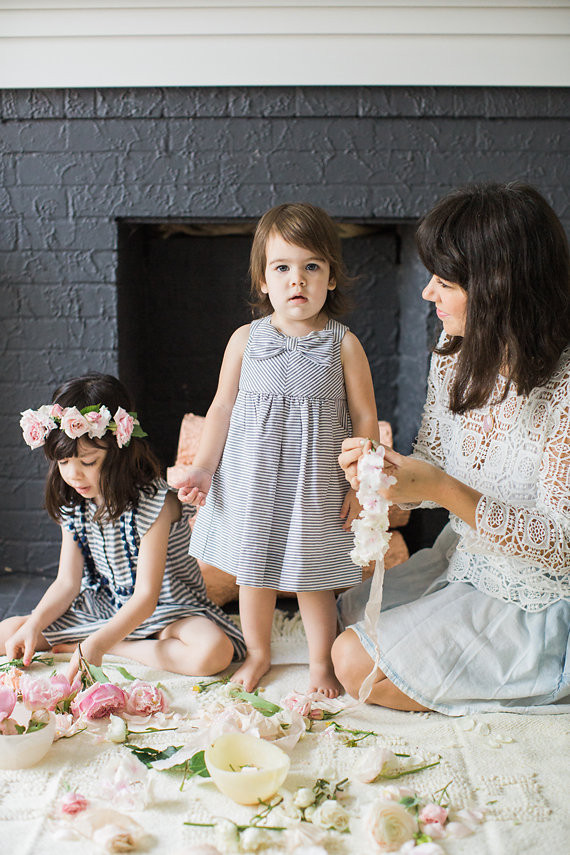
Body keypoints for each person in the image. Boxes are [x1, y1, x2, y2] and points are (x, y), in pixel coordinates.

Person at [333, 181, 570, 715]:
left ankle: (545, 674)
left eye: (444, 281)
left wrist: (438, 487)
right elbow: (432, 461)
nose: (427, 293)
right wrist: (384, 477)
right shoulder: (455, 357)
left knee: (354, 662)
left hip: (540, 594)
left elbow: (563, 545)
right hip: (466, 561)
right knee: (346, 611)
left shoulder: (565, 388)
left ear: (497, 288)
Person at [174, 202, 379, 696]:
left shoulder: (343, 343)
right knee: (254, 573)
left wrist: (362, 485)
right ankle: (260, 653)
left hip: (315, 483)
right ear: (263, 280)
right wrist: (203, 468)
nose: (297, 280)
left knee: (314, 579)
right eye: (282, 267)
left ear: (331, 277)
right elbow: (221, 408)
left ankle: (320, 664)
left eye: (312, 267)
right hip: (253, 480)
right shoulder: (245, 340)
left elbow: (365, 417)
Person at [0, 373, 246, 681]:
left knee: (212, 652)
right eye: (63, 463)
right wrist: (34, 624)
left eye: (88, 463)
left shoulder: (156, 502)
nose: (74, 476)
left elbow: (146, 597)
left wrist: (98, 645)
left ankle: (117, 647)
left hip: (166, 609)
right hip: (105, 605)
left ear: (119, 451)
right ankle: (94, 641)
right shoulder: (74, 502)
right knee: (10, 631)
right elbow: (66, 584)